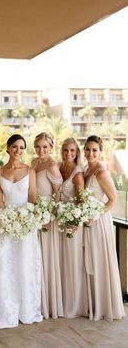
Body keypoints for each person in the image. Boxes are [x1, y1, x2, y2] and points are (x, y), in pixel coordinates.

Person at [0, 134, 43, 329]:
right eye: (14, 147)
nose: (18, 151)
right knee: (7, 267)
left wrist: (24, 218)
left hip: (26, 225)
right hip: (6, 225)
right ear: (7, 148)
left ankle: (27, 309)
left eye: (22, 147)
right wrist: (6, 217)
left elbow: (32, 197)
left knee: (25, 264)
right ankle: (8, 312)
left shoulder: (30, 171)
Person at [83, 135, 125, 320]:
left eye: (94, 150)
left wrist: (95, 215)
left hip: (99, 222)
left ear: (100, 152)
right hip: (87, 221)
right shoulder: (85, 169)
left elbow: (113, 200)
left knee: (99, 260)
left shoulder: (101, 172)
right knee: (89, 260)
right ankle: (92, 302)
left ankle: (104, 306)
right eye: (88, 149)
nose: (90, 153)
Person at [31, 132, 63, 319]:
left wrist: (50, 217)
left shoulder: (52, 166)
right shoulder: (33, 163)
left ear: (51, 147)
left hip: (46, 219)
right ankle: (35, 300)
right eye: (38, 146)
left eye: (45, 147)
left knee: (45, 259)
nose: (41, 150)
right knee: (35, 260)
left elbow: (58, 193)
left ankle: (48, 303)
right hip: (33, 216)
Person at [59, 137, 88, 318]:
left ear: (77, 152)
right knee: (62, 262)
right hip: (59, 221)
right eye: (65, 150)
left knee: (73, 262)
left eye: (72, 150)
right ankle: (61, 300)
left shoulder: (77, 174)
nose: (68, 154)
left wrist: (75, 222)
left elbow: (81, 201)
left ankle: (74, 304)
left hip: (72, 224)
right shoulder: (59, 167)